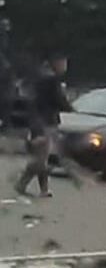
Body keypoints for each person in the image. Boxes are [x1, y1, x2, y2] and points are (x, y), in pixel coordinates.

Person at [14, 52, 74, 197]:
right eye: (63, 63)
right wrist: (70, 107)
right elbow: (58, 100)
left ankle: (43, 189)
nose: (65, 67)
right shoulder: (51, 79)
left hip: (38, 121)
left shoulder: (41, 76)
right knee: (41, 158)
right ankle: (22, 183)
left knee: (43, 157)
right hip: (46, 122)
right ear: (56, 63)